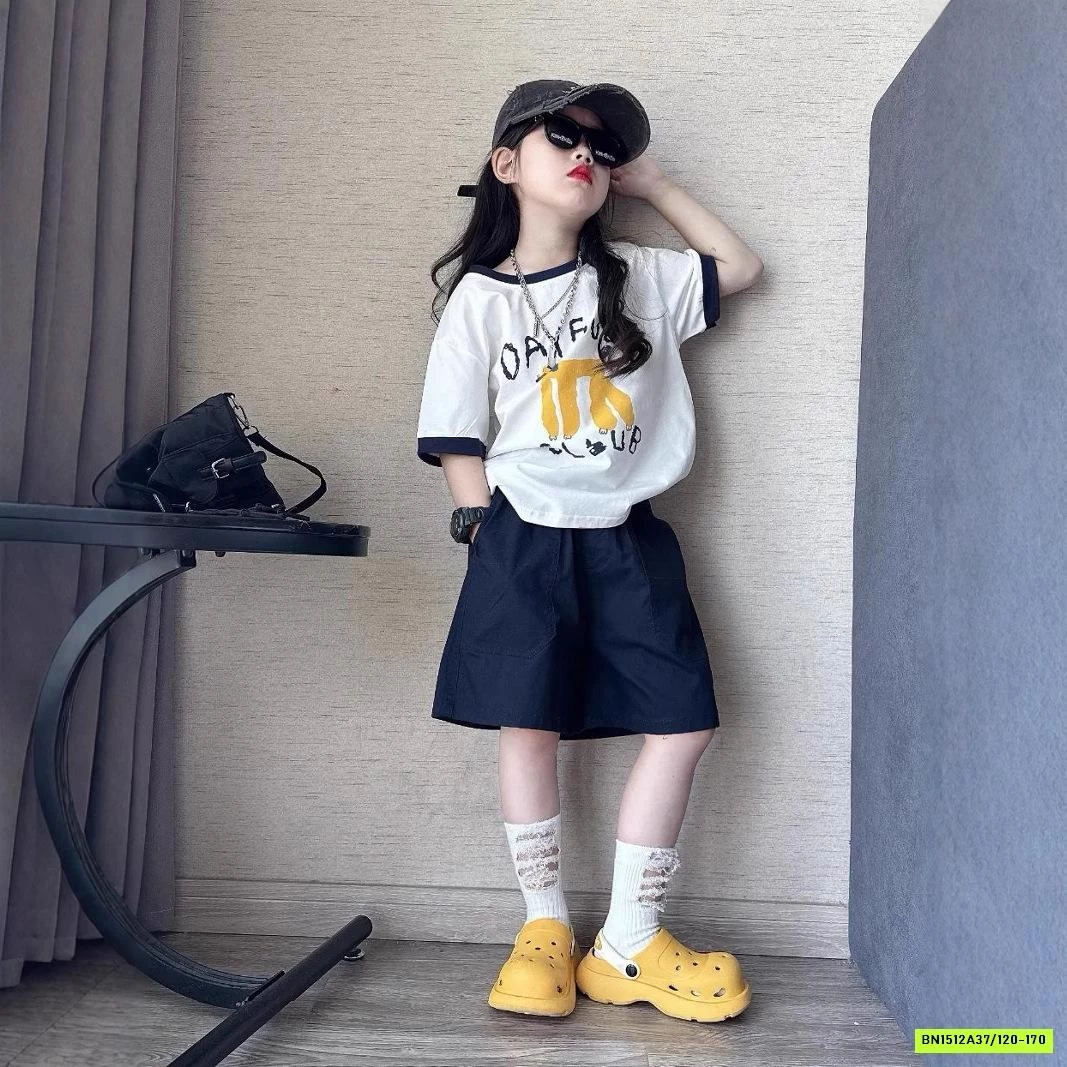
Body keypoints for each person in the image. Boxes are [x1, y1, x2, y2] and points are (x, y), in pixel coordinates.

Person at [415, 79, 764, 1023]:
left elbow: (738, 266)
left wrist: (654, 185)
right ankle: (542, 927)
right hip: (521, 533)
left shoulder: (640, 278)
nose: (586, 155)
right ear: (505, 163)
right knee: (525, 722)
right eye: (560, 136)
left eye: (601, 148)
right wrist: (478, 527)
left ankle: (629, 939)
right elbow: (455, 434)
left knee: (681, 720)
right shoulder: (477, 299)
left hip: (628, 534)